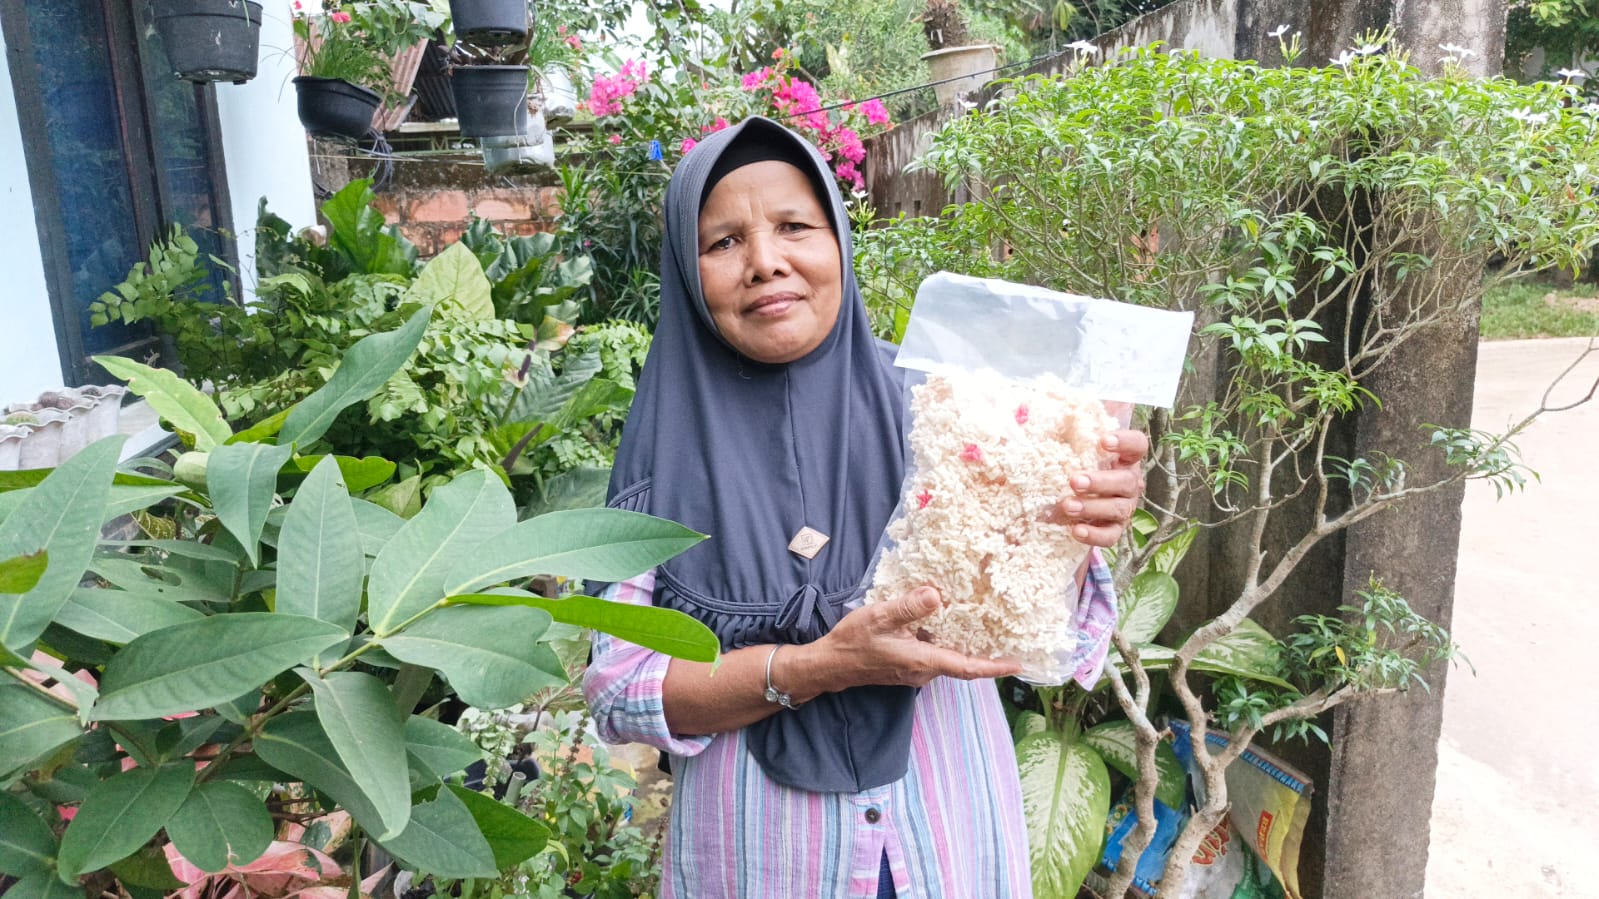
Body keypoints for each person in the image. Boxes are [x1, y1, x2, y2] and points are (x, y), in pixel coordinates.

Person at [583, 116, 1148, 898]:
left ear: (839, 241)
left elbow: (1048, 624)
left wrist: (1082, 514)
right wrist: (812, 669)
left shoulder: (945, 402)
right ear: (686, 268)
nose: (765, 262)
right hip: (763, 851)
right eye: (723, 242)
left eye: (793, 227)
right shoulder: (660, 452)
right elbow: (619, 688)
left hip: (946, 824)